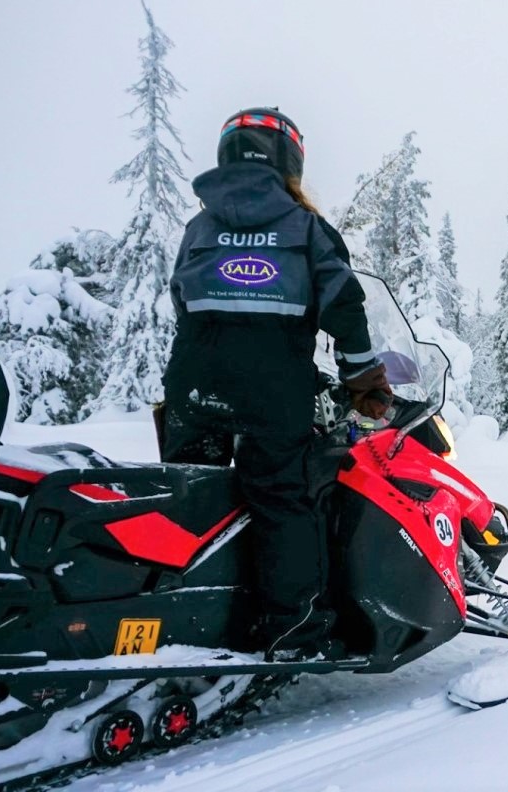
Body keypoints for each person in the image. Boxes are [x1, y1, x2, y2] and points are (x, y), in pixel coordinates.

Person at [163, 107, 391, 660]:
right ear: (289, 161)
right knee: (284, 503)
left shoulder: (200, 229)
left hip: (192, 395)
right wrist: (365, 385)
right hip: (271, 398)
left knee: (193, 503)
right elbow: (346, 309)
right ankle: (295, 633)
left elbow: (183, 305)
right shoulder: (305, 228)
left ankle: (178, 617)